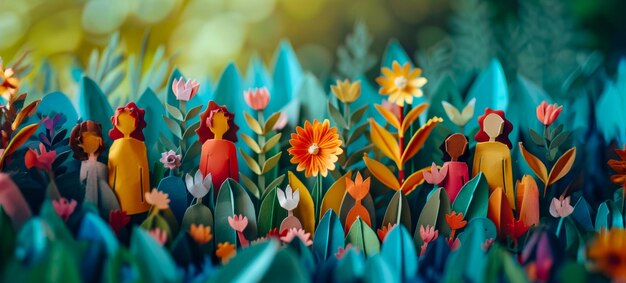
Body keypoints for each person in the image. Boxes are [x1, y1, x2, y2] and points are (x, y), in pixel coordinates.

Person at [70, 120, 120, 217]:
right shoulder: (87, 165)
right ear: (80, 142)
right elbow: (90, 195)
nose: (91, 141)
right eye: (87, 138)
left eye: (94, 137)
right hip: (92, 212)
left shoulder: (100, 165)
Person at [108, 102, 151, 215]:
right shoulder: (138, 146)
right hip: (126, 198)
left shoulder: (137, 146)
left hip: (134, 199)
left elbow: (143, 173)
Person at [472, 108, 515, 208]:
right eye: (489, 124)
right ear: (484, 126)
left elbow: (507, 178)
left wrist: (511, 203)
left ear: (501, 128)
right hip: (482, 192)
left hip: (500, 194)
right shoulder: (480, 148)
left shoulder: (504, 150)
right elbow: (475, 173)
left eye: (496, 125)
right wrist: (474, 195)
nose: (493, 128)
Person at [195, 101, 239, 196]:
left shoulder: (230, 147)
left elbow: (234, 173)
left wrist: (234, 190)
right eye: (217, 121)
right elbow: (202, 170)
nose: (221, 124)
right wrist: (201, 189)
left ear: (227, 125)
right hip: (208, 188)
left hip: (225, 190)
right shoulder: (206, 146)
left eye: (223, 121)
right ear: (209, 123)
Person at [439, 133, 471, 202]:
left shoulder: (463, 167)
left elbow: (466, 184)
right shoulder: (446, 166)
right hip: (446, 198)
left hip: (460, 199)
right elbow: (440, 182)